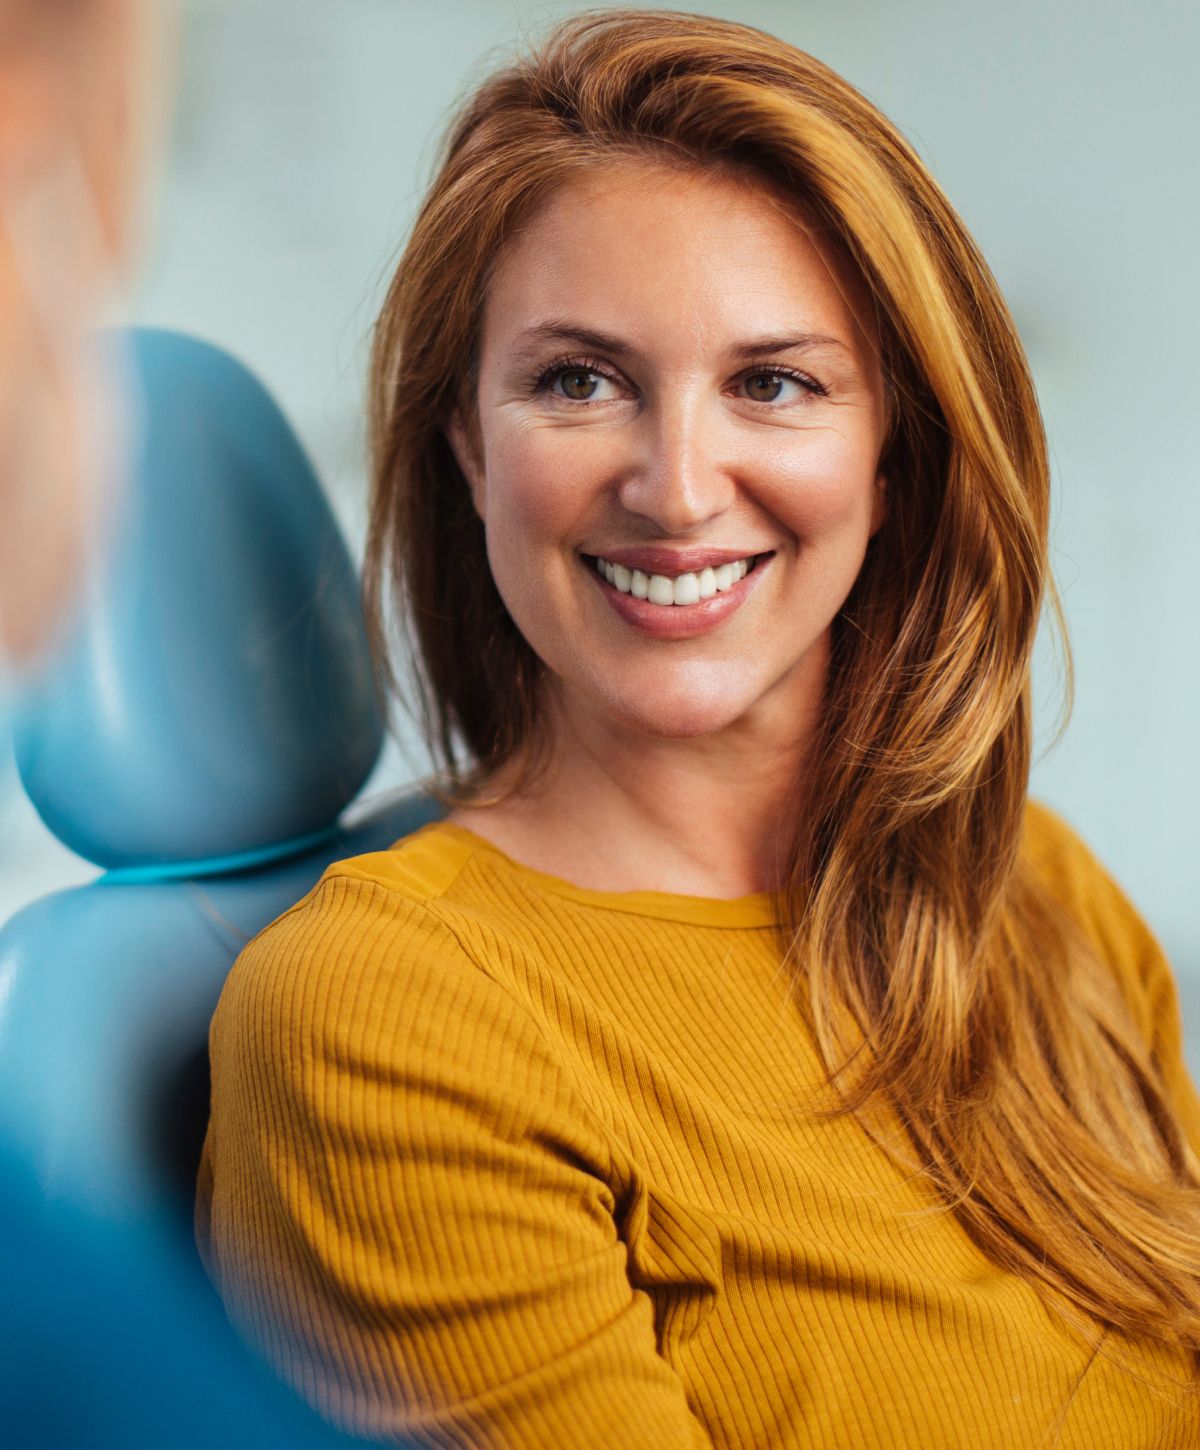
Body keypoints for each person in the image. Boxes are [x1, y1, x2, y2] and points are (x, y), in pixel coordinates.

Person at [195, 8, 1200, 1447]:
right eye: (577, 381)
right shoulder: (383, 1018)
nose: (675, 489)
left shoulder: (1042, 889)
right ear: (469, 445)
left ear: (892, 455)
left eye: (771, 383)